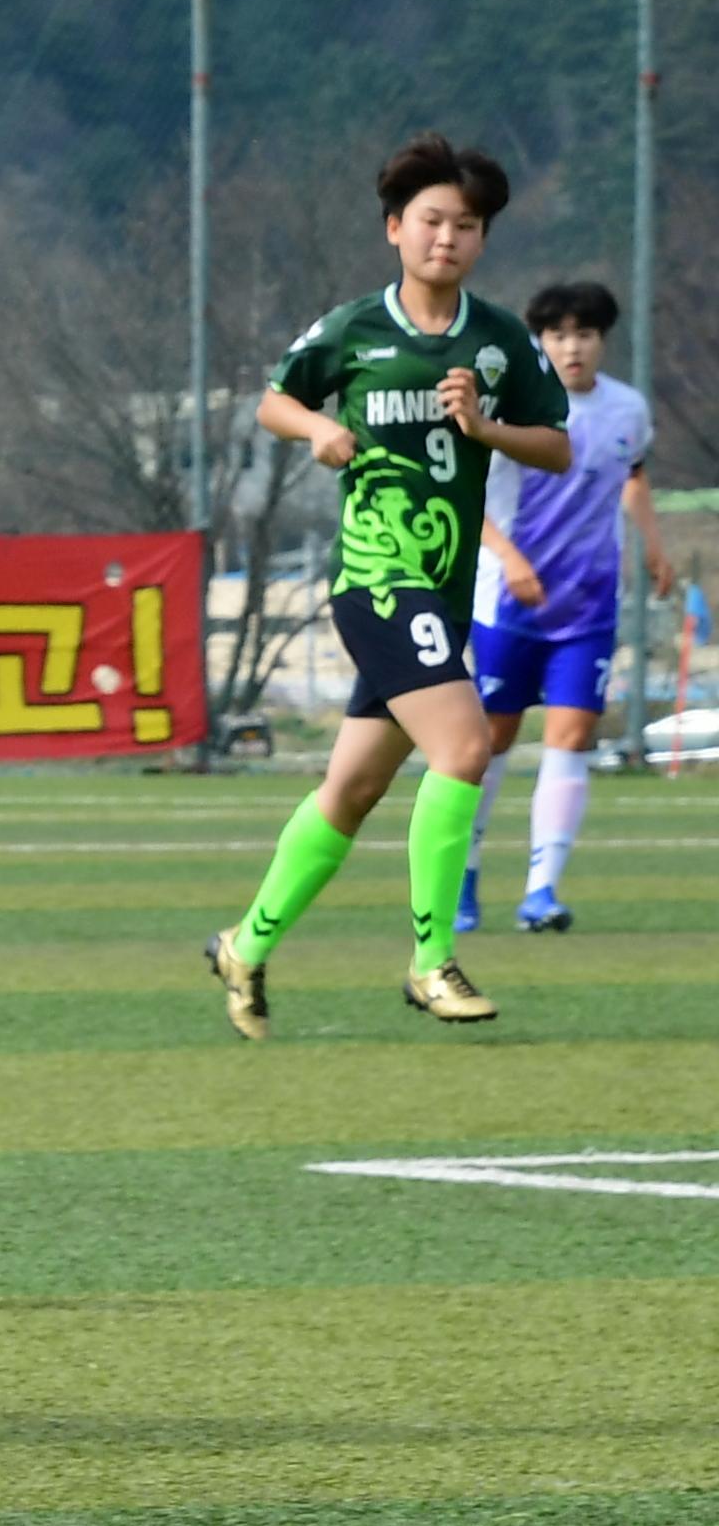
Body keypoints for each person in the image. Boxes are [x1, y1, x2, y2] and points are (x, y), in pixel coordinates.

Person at [206, 132, 569, 1039]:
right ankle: (430, 961)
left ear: (483, 239)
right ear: (395, 229)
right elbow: (274, 399)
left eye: (468, 225)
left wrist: (485, 428)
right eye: (432, 221)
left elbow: (558, 447)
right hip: (377, 577)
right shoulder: (354, 330)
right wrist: (314, 432)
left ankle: (243, 948)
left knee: (353, 791)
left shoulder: (498, 341)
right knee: (465, 749)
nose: (448, 238)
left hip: (442, 591)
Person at [460, 281, 673, 933]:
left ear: (602, 341)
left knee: (573, 735)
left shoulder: (627, 409)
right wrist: (511, 558)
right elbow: (468, 497)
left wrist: (654, 547)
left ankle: (541, 892)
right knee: (489, 742)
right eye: (558, 336)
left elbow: (632, 476)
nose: (571, 347)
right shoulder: (516, 409)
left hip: (587, 606)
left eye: (584, 335)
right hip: (507, 602)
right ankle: (461, 882)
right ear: (539, 341)